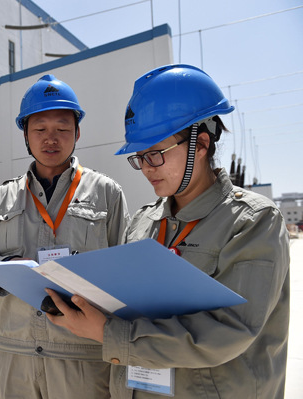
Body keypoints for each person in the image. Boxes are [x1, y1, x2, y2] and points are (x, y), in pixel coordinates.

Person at [46, 64, 290, 398]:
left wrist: (108, 334)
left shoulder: (251, 221)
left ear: (200, 144)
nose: (146, 168)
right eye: (140, 157)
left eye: (156, 155)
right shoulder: (143, 223)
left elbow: (231, 330)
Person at [0, 74, 130, 398]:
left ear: (77, 133)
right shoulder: (4, 197)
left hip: (82, 358)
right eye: (40, 129)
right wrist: (9, 270)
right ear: (26, 135)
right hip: (15, 357)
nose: (51, 139)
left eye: (62, 129)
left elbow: (123, 270)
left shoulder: (106, 193)